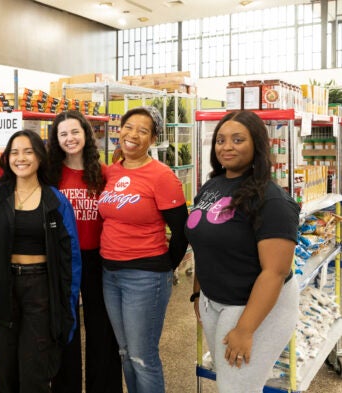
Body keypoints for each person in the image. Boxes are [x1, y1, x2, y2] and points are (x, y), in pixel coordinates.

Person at [184, 110, 299, 393]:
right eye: (221, 140)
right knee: (228, 382)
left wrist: (245, 330)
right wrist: (199, 293)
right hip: (215, 301)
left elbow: (275, 271)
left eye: (238, 140)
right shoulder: (213, 185)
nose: (227, 146)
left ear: (257, 145)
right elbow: (204, 243)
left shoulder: (272, 200)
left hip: (252, 306)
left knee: (236, 388)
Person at [0, 130, 82, 393]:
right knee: (6, 369)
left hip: (41, 290)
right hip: (4, 286)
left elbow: (71, 259)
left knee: (35, 371)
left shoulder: (56, 200)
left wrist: (68, 310)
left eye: (28, 151)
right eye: (14, 152)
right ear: (6, 158)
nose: (20, 158)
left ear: (40, 157)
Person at [98, 106, 189, 393]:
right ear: (119, 130)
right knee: (125, 352)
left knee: (142, 356)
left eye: (143, 130)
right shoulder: (110, 171)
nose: (133, 134)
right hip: (110, 274)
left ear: (153, 139)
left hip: (145, 276)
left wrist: (163, 267)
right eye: (128, 127)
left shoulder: (162, 176)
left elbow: (182, 231)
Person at [47, 110, 122, 393]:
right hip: (62, 259)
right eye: (63, 134)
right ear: (56, 139)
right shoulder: (50, 174)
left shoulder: (103, 174)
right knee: (66, 328)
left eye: (75, 132)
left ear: (86, 134)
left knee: (102, 330)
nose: (70, 138)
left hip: (98, 259)